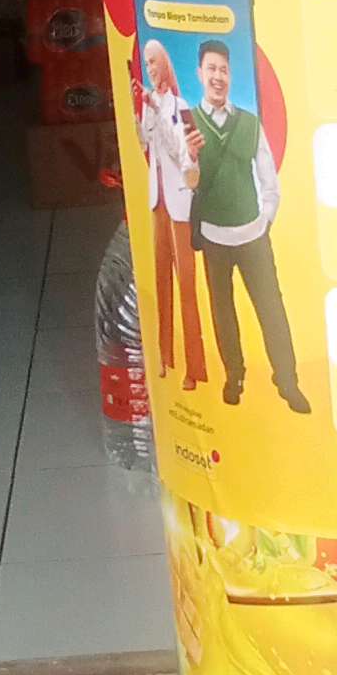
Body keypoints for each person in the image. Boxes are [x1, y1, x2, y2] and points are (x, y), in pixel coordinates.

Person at [186, 39, 309, 412]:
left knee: (271, 308)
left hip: (253, 233)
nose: (218, 76)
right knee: (223, 310)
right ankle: (234, 375)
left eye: (224, 69)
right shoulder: (189, 125)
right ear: (200, 73)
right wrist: (190, 157)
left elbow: (269, 178)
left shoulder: (250, 123)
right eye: (211, 68)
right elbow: (184, 182)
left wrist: (264, 219)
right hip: (214, 234)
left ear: (230, 75)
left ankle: (287, 381)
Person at [137, 39, 207, 387]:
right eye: (147, 63)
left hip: (180, 204)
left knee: (186, 285)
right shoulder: (150, 104)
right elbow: (144, 144)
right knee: (160, 279)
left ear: (165, 63)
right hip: (157, 202)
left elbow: (183, 156)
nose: (151, 68)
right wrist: (141, 112)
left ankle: (195, 369)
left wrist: (156, 111)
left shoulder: (181, 107)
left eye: (154, 62)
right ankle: (165, 357)